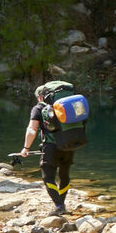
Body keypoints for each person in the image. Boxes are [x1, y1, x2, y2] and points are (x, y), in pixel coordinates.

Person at [21, 82, 77, 214]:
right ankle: (61, 203)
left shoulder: (39, 108)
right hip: (70, 145)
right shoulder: (66, 107)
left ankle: (59, 206)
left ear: (41, 96)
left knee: (48, 177)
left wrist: (26, 148)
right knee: (64, 175)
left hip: (51, 146)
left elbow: (31, 130)